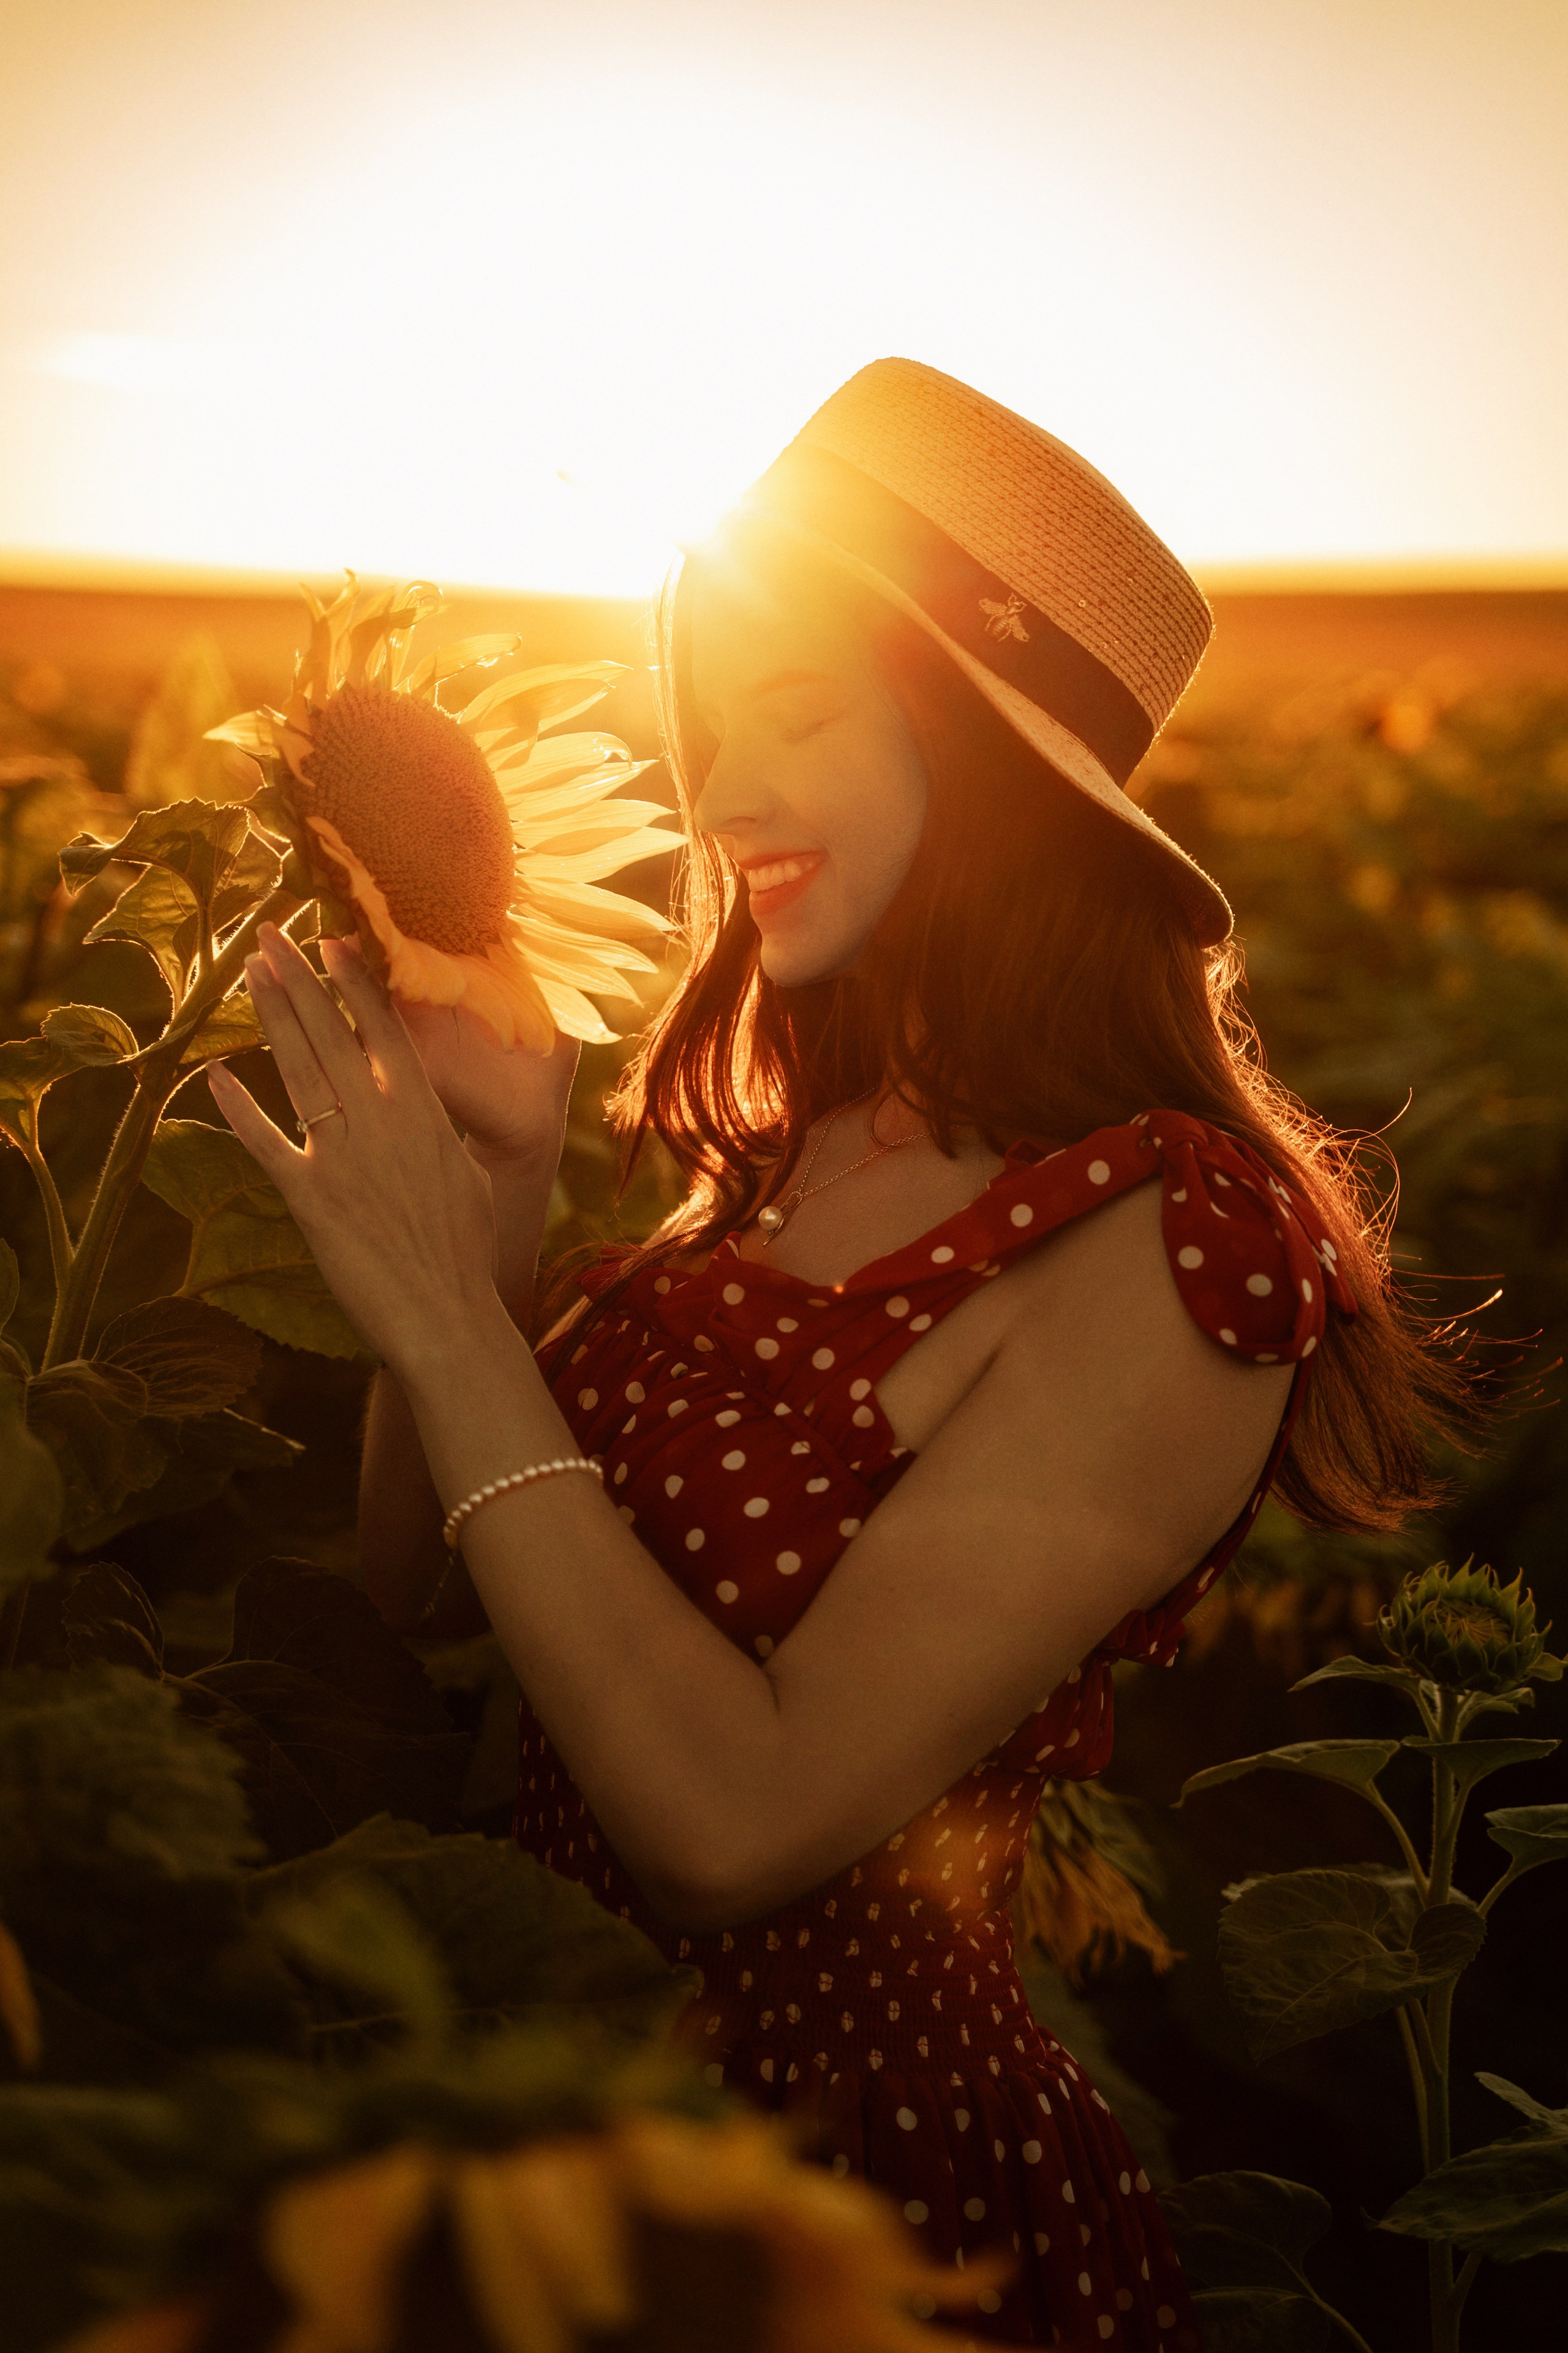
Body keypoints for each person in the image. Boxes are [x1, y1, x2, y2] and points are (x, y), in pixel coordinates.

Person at [214, 360, 1460, 2351]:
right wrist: (506, 1183)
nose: (719, 794)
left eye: (799, 711)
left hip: (842, 2213)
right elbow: (433, 1589)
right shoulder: (808, 1132)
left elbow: (728, 1831)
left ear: (986, 757)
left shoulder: (1172, 1244)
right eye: (716, 720)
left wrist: (448, 1313)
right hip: (537, 2133)